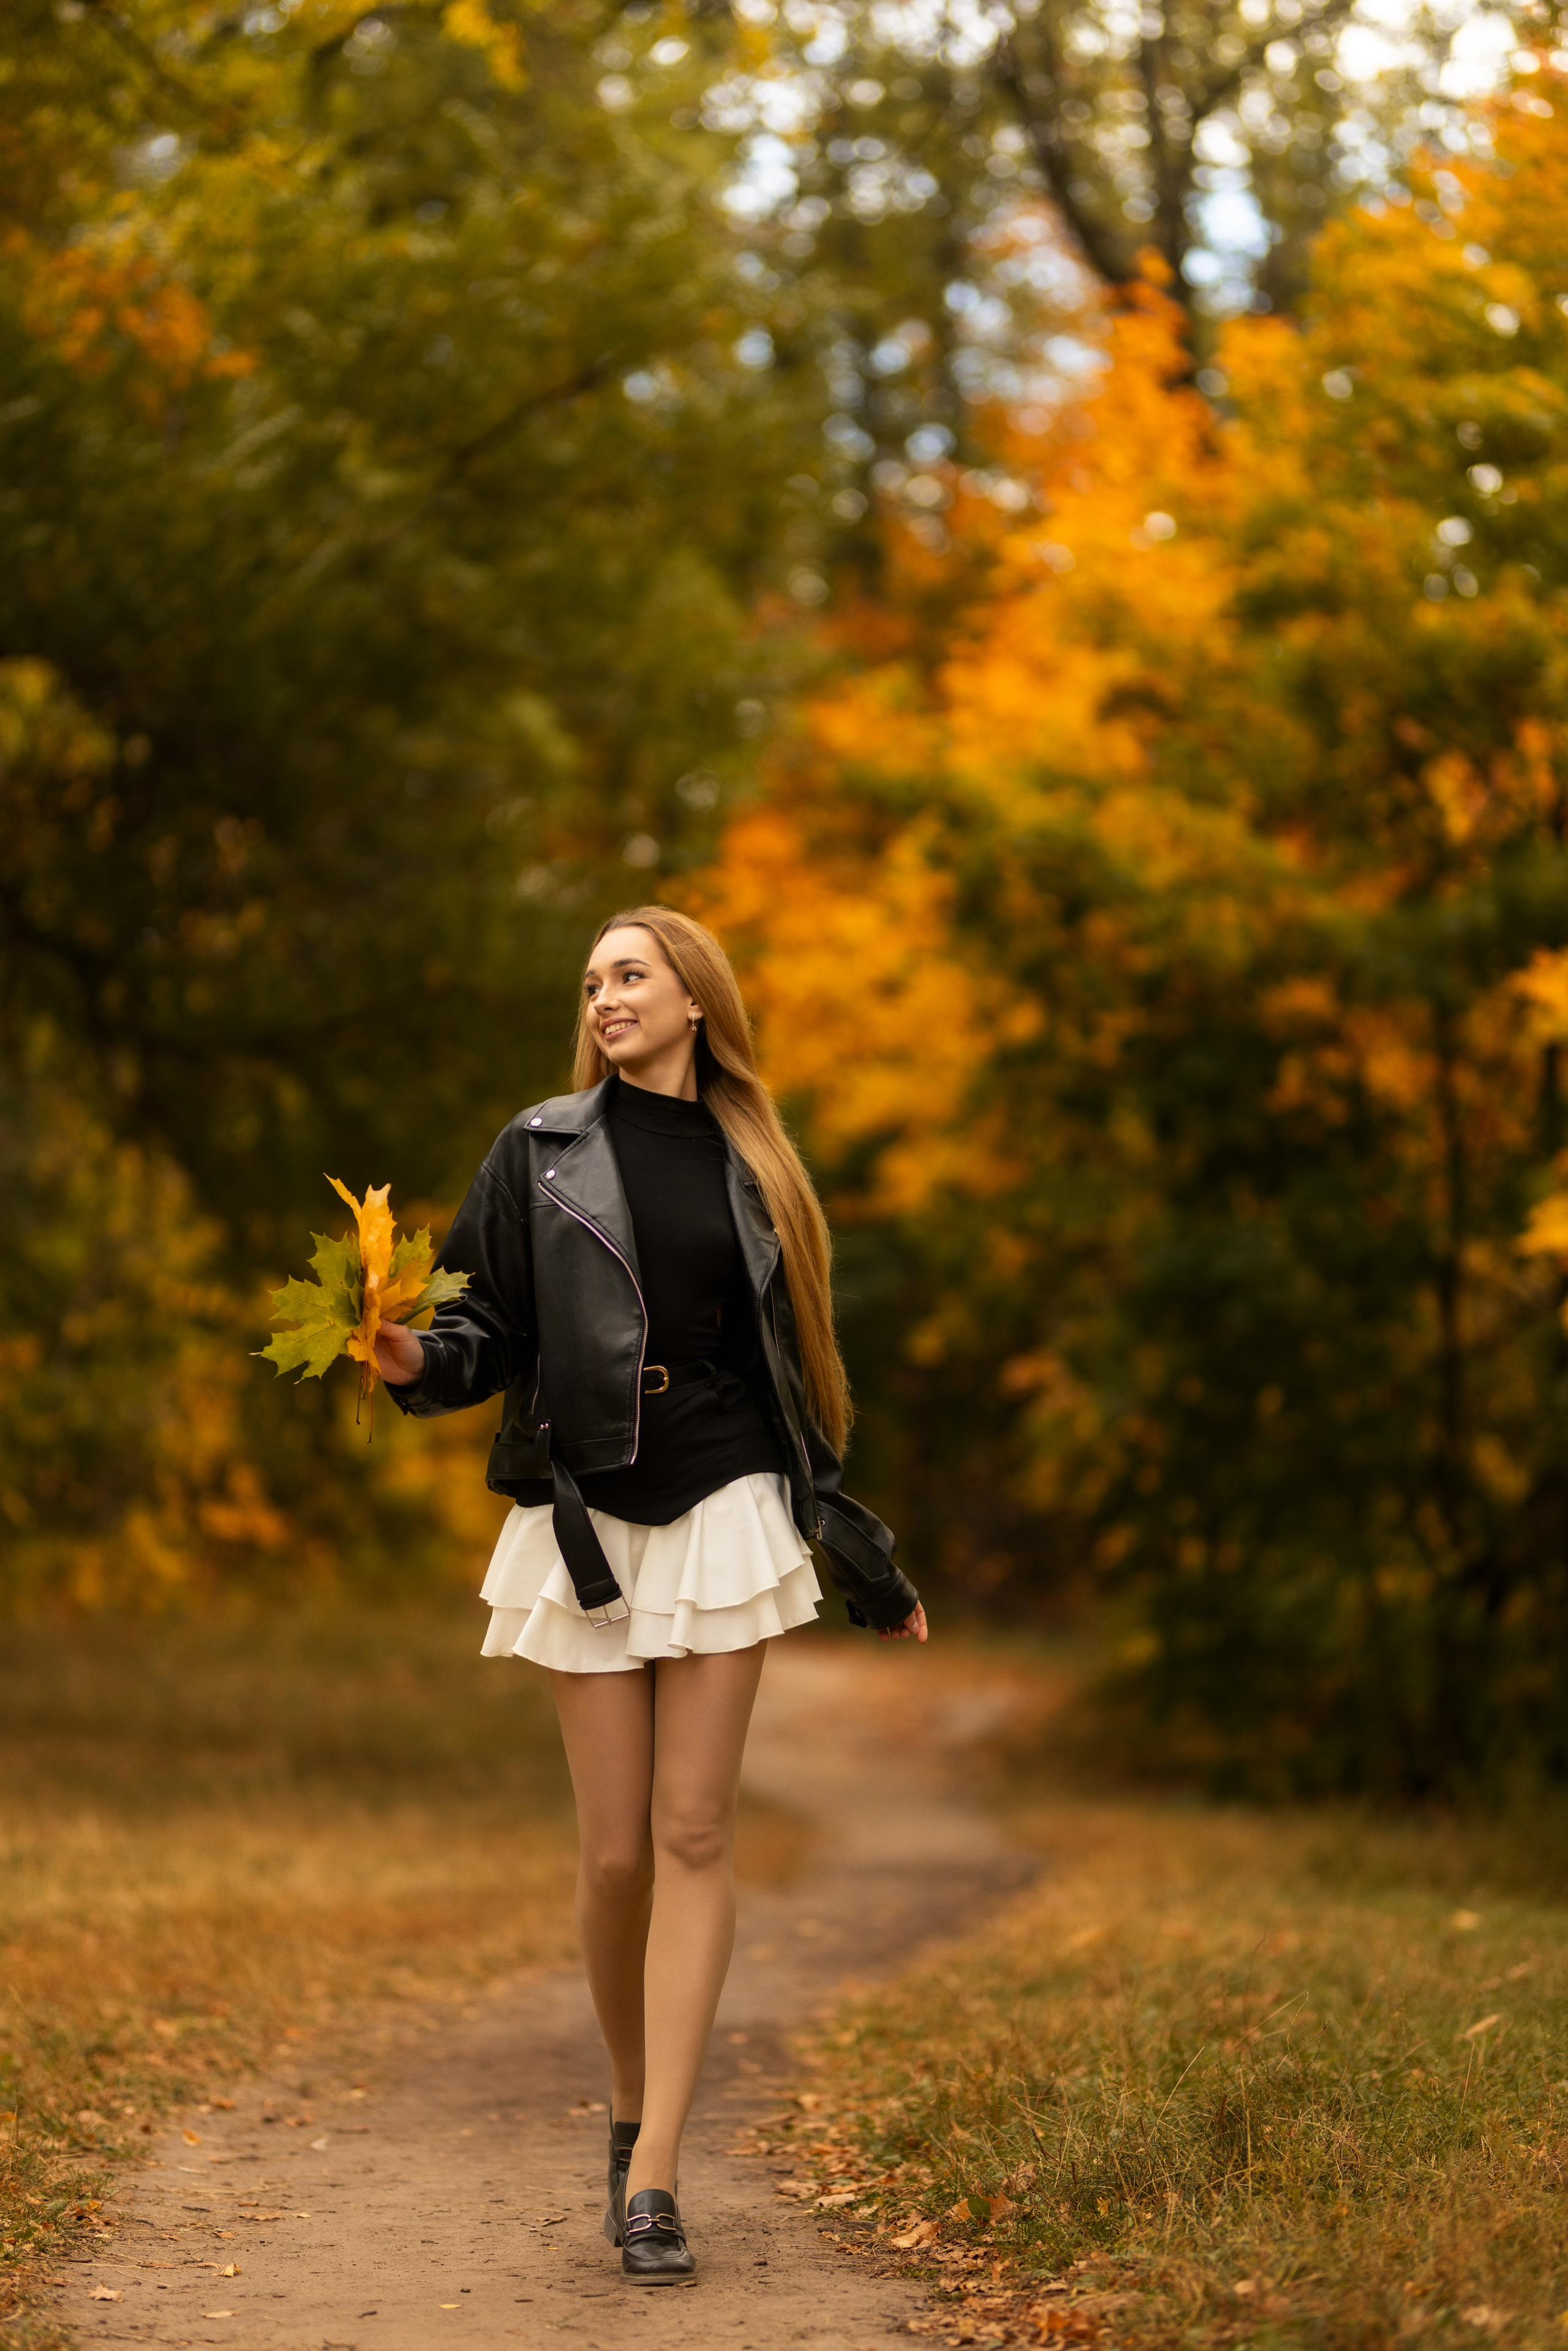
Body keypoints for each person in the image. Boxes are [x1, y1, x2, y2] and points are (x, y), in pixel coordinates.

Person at [374, 905, 926, 2287]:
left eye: (631, 973)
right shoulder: (538, 1145)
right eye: (593, 981)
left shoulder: (760, 1168)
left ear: (695, 997)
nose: (607, 994)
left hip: (726, 1494)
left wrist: (864, 1558)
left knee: (694, 1830)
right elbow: (484, 1324)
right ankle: (627, 2107)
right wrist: (408, 1360)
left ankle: (661, 2170)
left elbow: (801, 1388)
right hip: (585, 1509)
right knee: (615, 1851)